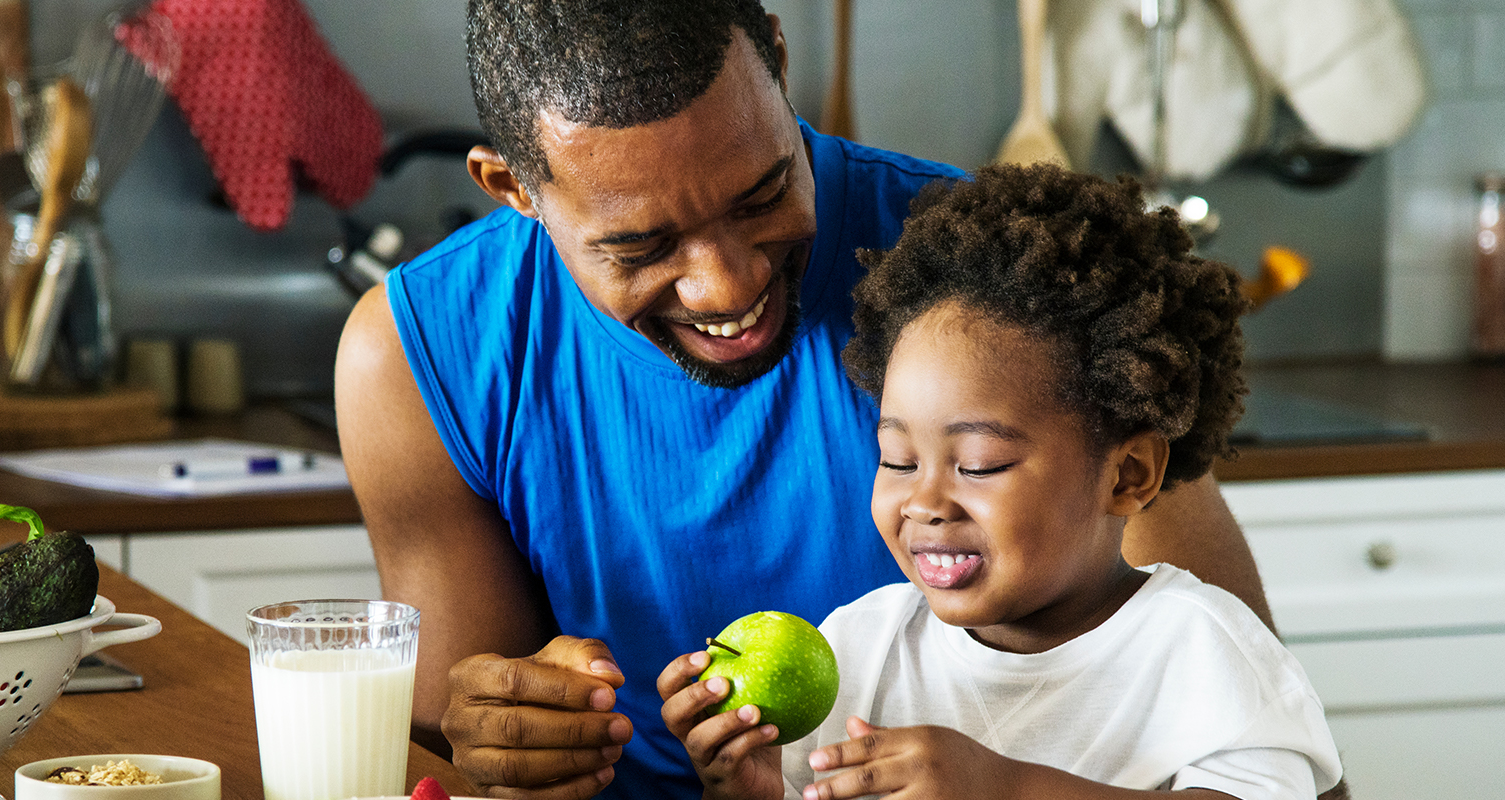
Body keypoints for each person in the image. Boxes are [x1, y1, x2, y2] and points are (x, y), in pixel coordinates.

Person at [333, 2, 1276, 798]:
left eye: (762, 193)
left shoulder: (1005, 296)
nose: (725, 286)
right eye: (641, 247)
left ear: (778, 64)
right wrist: (497, 730)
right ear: (512, 189)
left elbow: (1271, 758)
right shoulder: (417, 355)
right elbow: (442, 751)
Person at [658, 163, 1343, 800]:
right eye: (897, 459)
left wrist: (1007, 789)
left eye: (979, 465)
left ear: (1128, 476)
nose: (924, 502)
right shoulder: (862, 649)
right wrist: (755, 792)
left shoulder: (1200, 648)